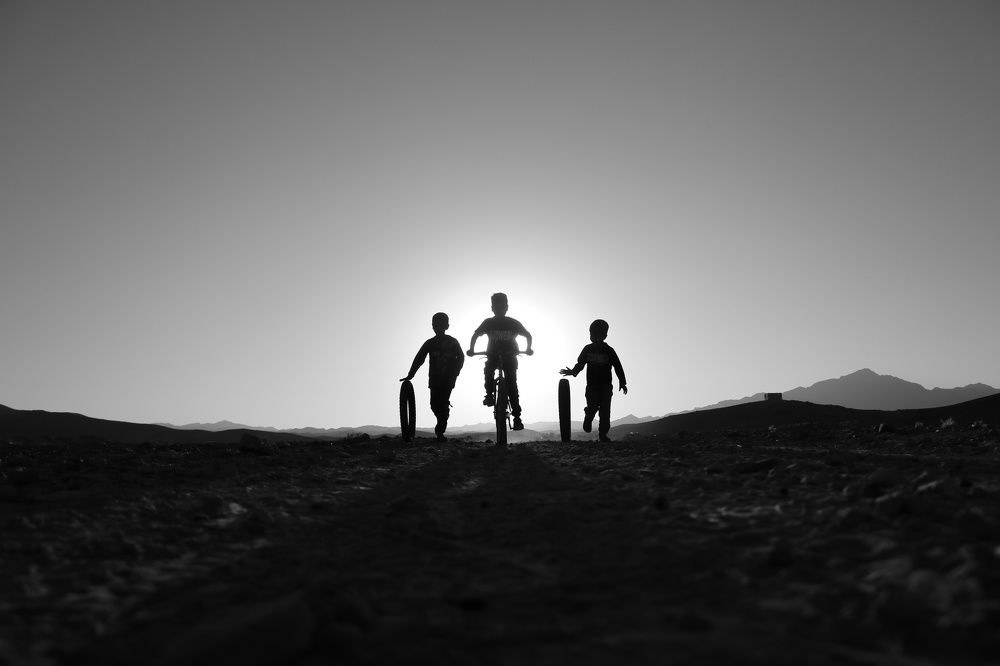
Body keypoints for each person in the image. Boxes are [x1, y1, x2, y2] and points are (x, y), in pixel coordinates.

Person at [467, 292, 533, 430]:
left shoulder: (510, 322)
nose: (499, 309)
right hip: (494, 356)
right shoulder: (490, 322)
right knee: (490, 372)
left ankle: (516, 417)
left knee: (511, 385)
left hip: (509, 357)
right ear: (492, 308)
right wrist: (471, 348)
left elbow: (528, 335)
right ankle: (490, 395)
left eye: (501, 306)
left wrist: (529, 348)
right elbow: (475, 335)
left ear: (506, 307)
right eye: (496, 306)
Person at [400, 312, 465, 441]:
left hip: (448, 379)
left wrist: (456, 372)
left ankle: (440, 432)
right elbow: (419, 358)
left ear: (447, 326)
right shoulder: (430, 343)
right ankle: (443, 417)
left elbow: (461, 357)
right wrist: (411, 374)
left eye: (440, 324)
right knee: (434, 405)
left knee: (443, 402)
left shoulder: (452, 342)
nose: (437, 327)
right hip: (434, 379)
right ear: (432, 326)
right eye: (435, 325)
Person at [560, 319, 627, 442]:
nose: (593, 337)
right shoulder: (587, 349)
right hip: (592, 386)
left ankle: (603, 434)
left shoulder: (609, 351)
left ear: (604, 336)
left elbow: (618, 366)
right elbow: (580, 364)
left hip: (606, 386)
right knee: (592, 406)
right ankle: (589, 416)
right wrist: (573, 372)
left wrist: (622, 382)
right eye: (591, 334)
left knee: (605, 411)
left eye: (596, 335)